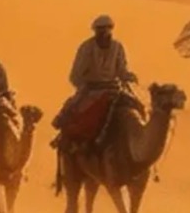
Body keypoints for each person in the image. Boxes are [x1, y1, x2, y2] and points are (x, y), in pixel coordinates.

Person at [55, 16, 135, 148]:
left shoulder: (117, 47)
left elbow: (121, 69)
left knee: (136, 109)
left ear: (111, 30)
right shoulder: (86, 48)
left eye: (106, 29)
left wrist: (129, 77)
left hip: (113, 89)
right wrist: (85, 85)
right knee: (74, 112)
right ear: (95, 31)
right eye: (100, 30)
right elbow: (76, 75)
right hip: (91, 90)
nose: (103, 33)